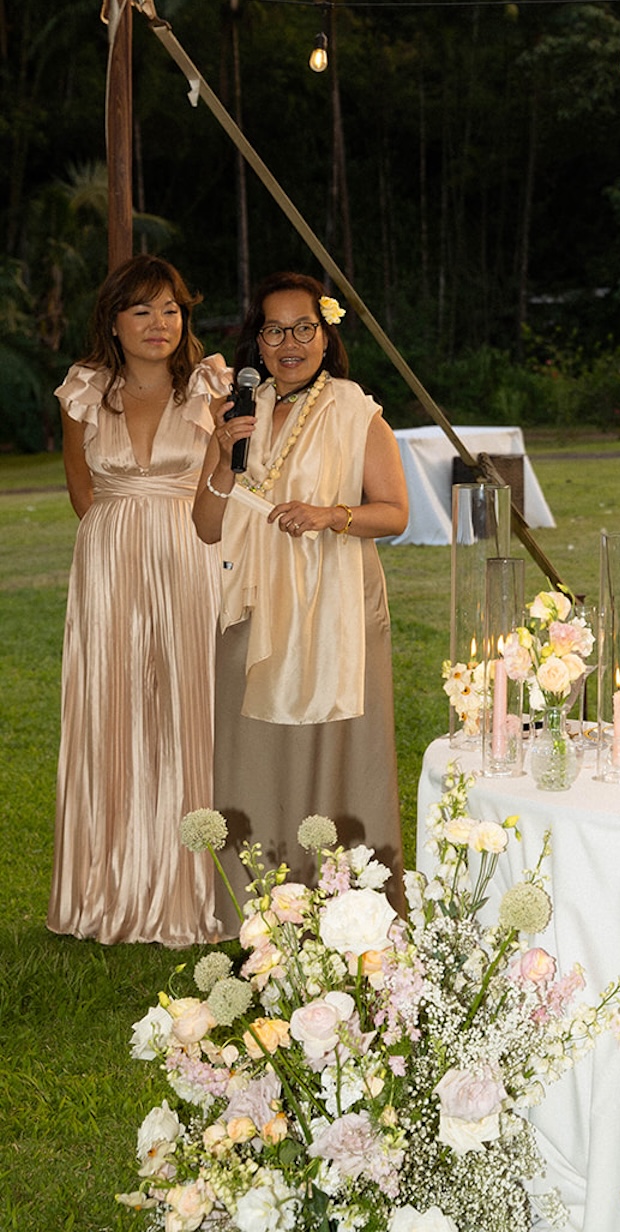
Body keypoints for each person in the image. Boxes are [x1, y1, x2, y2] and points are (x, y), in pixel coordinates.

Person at [194, 272, 409, 923]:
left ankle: (348, 909)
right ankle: (256, 909)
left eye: (303, 328)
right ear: (256, 340)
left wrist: (330, 515)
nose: (289, 343)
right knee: (252, 751)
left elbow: (394, 513)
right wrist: (220, 455)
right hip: (252, 606)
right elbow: (206, 525)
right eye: (274, 329)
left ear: (325, 334)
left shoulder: (356, 411)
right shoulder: (234, 414)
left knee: (339, 750)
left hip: (337, 605)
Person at [51, 255, 229, 946]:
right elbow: (81, 490)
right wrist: (123, 540)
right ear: (114, 322)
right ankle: (107, 889)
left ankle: (197, 890)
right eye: (142, 310)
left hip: (193, 555)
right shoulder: (84, 391)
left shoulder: (212, 387)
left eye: (171, 309)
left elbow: (228, 477)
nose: (160, 323)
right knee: (113, 710)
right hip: (110, 564)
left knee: (193, 708)